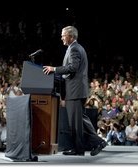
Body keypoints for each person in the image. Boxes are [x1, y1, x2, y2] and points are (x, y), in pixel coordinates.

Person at [43, 25, 106, 156]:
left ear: (71, 36)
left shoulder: (75, 49)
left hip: (75, 90)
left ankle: (98, 142)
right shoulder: (74, 48)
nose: (61, 38)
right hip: (76, 90)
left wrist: (54, 69)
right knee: (79, 120)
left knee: (76, 122)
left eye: (63, 35)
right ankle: (79, 148)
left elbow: (73, 67)